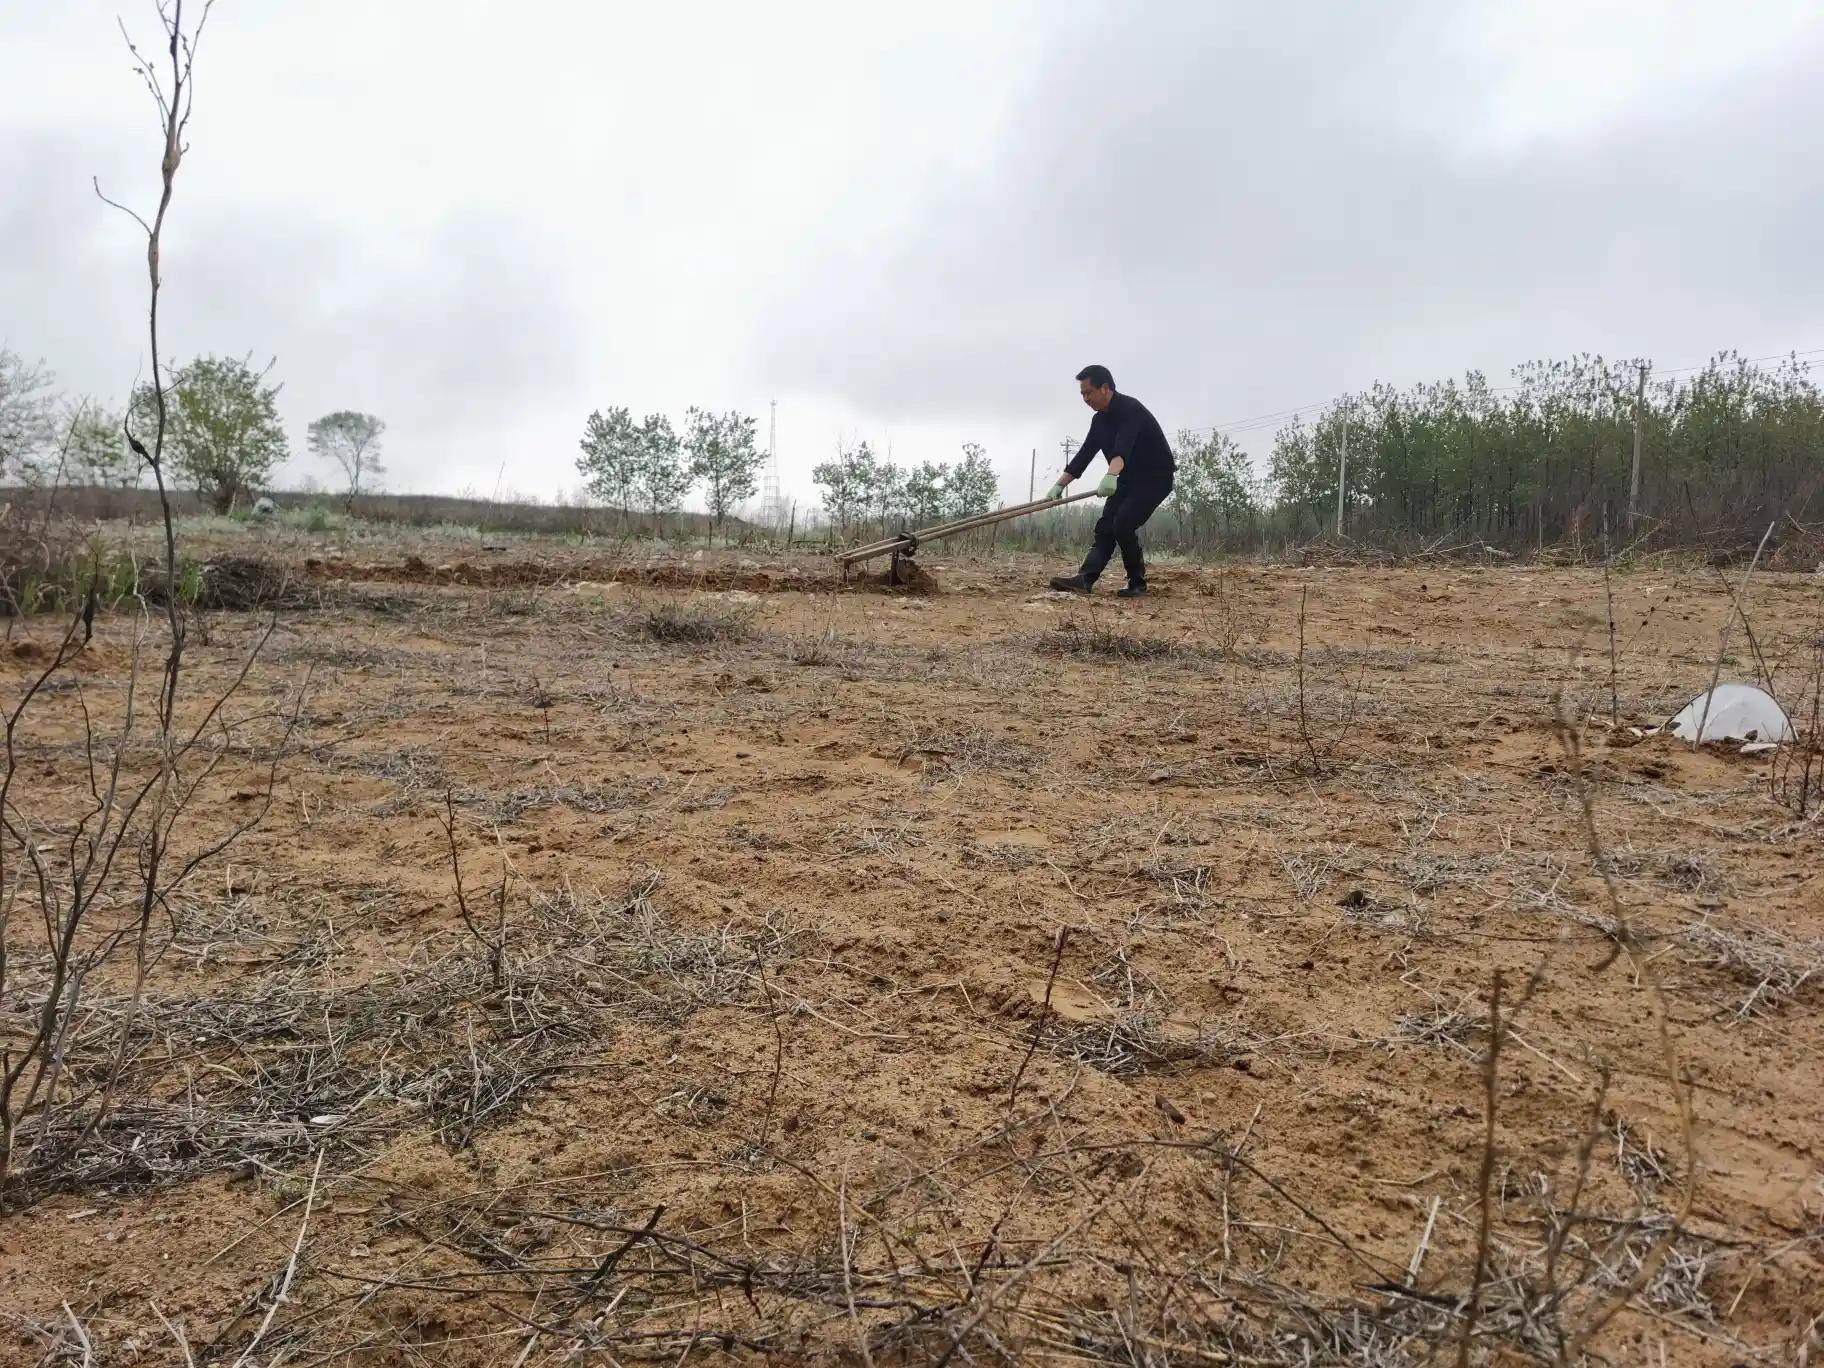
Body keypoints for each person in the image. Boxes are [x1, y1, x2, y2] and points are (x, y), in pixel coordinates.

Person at [1041, 365, 1175, 597]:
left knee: (1123, 524)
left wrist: (1111, 475)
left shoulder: (1130, 409)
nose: (1085, 398)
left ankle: (1137, 583)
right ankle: (1084, 579)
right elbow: (1084, 455)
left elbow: (1122, 449)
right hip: (1127, 478)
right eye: (1082, 394)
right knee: (1106, 528)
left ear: (1105, 388)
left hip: (1155, 478)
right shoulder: (1099, 421)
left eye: (1088, 392)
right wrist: (1060, 484)